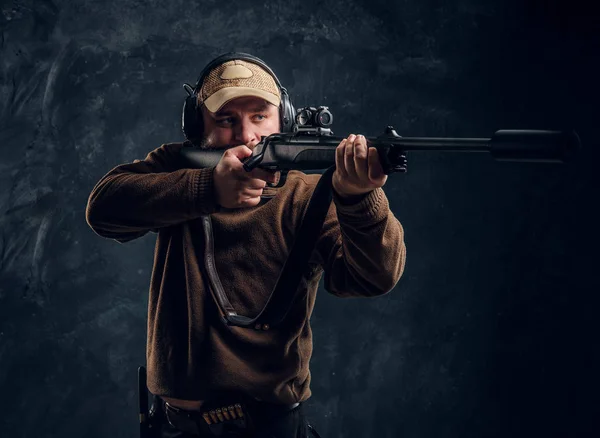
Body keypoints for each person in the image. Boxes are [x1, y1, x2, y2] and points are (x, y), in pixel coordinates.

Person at [85, 53, 406, 438]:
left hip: (268, 427)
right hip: (174, 427)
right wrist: (208, 190)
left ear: (282, 120)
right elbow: (103, 209)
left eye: (259, 116)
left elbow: (373, 277)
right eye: (226, 119)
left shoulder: (306, 196)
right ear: (196, 127)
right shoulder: (176, 169)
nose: (246, 135)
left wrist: (359, 199)